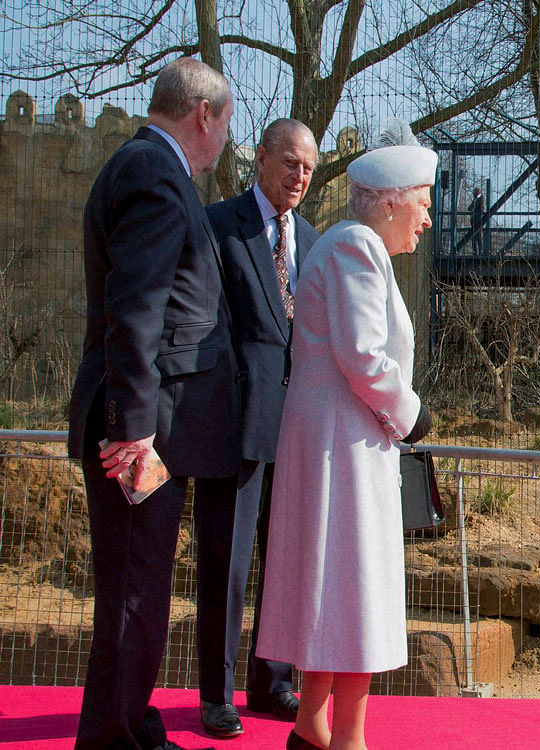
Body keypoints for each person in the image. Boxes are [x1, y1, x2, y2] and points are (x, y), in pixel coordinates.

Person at [66, 57, 239, 750]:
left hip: (149, 425)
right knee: (135, 593)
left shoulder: (146, 169)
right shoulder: (152, 174)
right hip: (142, 431)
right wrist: (133, 430)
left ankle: (132, 721)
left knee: (139, 590)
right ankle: (115, 737)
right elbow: (134, 310)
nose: (225, 140)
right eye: (226, 125)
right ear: (204, 115)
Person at [255, 122, 435, 750]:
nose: (428, 220)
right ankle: (347, 736)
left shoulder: (341, 243)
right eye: (424, 203)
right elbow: (365, 357)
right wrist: (415, 416)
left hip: (336, 444)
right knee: (356, 593)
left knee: (330, 590)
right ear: (390, 201)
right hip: (345, 450)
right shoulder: (358, 246)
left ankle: (313, 728)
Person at [192, 119, 320, 737]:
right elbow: (201, 326)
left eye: (310, 169)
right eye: (291, 163)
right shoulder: (219, 226)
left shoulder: (315, 241)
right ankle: (216, 697)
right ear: (263, 158)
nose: (299, 177)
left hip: (298, 435)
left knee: (286, 566)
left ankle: (274, 685)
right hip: (233, 429)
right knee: (228, 565)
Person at [468, 186, 486, 254]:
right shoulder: (475, 199)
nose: (473, 193)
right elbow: (469, 208)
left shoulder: (481, 198)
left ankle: (480, 250)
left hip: (478, 218)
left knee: (478, 234)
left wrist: (474, 208)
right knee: (474, 235)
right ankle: (475, 250)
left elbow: (481, 207)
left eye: (474, 192)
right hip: (473, 218)